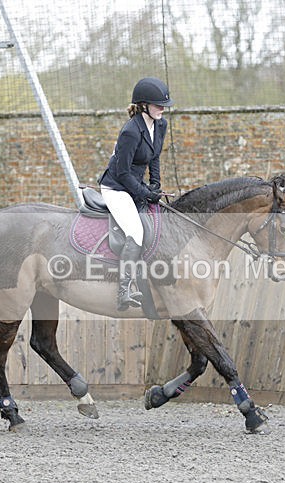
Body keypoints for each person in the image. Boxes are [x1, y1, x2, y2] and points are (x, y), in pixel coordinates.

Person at [99, 77, 173, 311]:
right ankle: (124, 290)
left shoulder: (160, 124)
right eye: (158, 104)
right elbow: (121, 172)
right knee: (136, 232)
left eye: (164, 105)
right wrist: (144, 193)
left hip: (135, 185)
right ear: (143, 105)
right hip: (116, 187)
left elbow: (155, 157)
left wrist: (155, 185)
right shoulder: (130, 131)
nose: (163, 108)